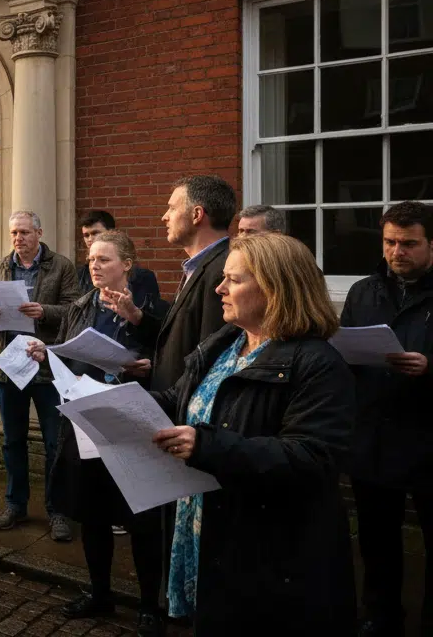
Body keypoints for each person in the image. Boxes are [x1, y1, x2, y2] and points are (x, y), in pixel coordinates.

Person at [151, 232, 356, 634]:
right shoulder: (225, 343)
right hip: (208, 531)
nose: (219, 288)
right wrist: (120, 405)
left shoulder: (318, 365)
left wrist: (206, 445)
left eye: (234, 280)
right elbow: (182, 401)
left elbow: (312, 456)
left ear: (277, 289)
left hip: (268, 552)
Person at [25, 231, 167, 636]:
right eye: (91, 259)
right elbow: (70, 357)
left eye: (104, 259)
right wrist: (48, 356)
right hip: (86, 421)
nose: (95, 264)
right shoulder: (81, 306)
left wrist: (146, 360)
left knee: (141, 519)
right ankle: (100, 593)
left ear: (127, 263)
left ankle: (149, 606)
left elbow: (174, 358)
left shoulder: (154, 308)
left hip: (132, 423)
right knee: (93, 514)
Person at [341, 201, 433, 637]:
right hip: (374, 434)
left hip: (428, 435)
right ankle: (380, 616)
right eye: (390, 242)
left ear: (431, 243)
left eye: (410, 244)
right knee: (377, 540)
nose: (398, 252)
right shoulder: (364, 291)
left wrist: (431, 367)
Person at [0, 210, 79, 540]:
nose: (18, 238)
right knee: (12, 440)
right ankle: (15, 504)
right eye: (13, 233)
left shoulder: (61, 266)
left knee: (54, 441)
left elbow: (76, 308)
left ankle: (58, 510)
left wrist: (44, 311)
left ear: (39, 232)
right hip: (10, 366)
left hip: (48, 367)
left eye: (24, 232)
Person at [151, 175, 235, 394]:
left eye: (171, 208)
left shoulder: (224, 271)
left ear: (197, 214)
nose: (164, 217)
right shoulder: (197, 266)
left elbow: (211, 354)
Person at [75, 210, 160, 300]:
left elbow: (151, 311)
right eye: (86, 235)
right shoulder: (79, 276)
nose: (90, 239)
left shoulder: (143, 277)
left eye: (95, 233)